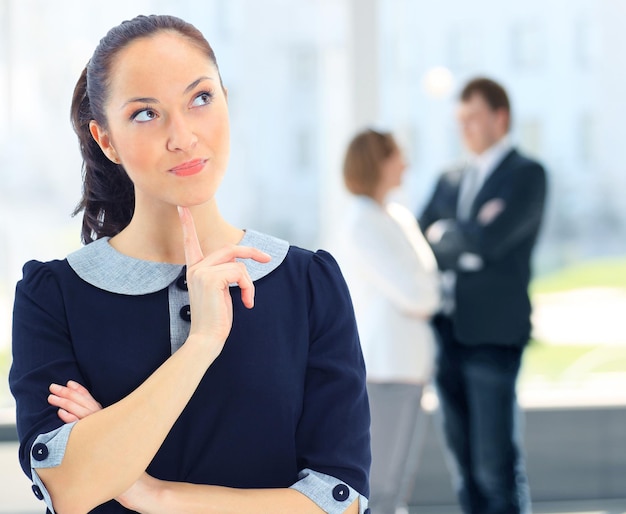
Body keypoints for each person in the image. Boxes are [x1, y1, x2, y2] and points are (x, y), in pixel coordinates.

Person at [9, 14, 370, 514]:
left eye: (201, 99)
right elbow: (67, 488)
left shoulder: (309, 284)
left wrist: (146, 491)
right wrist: (199, 346)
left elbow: (339, 502)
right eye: (144, 114)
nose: (182, 136)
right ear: (106, 139)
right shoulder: (52, 296)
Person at [418, 77, 547, 514]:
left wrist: (454, 237)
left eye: (473, 117)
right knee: (465, 468)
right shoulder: (450, 178)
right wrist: (463, 241)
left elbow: (494, 240)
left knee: (495, 467)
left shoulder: (526, 175)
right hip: (447, 332)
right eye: (461, 119)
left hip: (493, 335)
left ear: (500, 117)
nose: (465, 127)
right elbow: (421, 241)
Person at [334, 129, 440, 514]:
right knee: (378, 486)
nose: (406, 164)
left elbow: (424, 288)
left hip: (410, 367)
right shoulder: (361, 223)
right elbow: (421, 294)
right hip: (386, 369)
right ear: (376, 162)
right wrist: (429, 289)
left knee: (395, 485)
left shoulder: (396, 215)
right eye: (398, 156)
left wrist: (427, 289)